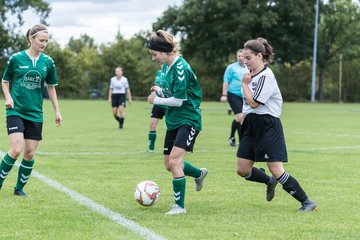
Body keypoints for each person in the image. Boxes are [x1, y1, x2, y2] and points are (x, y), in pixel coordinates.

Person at [236, 37, 317, 212]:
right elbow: (248, 105)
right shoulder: (251, 76)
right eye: (243, 58)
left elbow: (255, 103)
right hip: (250, 124)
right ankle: (268, 181)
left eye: (248, 58)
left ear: (259, 55)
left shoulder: (267, 76)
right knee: (242, 169)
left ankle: (307, 202)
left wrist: (244, 85)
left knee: (276, 168)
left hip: (267, 124)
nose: (245, 61)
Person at [147, 30, 208, 215]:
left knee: (174, 161)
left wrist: (155, 100)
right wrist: (159, 90)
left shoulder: (181, 68)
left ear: (164, 51)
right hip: (174, 120)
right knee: (169, 165)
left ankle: (179, 207)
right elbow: (170, 93)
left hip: (188, 119)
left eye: (154, 54)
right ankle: (198, 173)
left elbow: (179, 100)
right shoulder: (166, 67)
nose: (153, 58)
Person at [0, 24, 63, 196]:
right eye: (41, 40)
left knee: (29, 153)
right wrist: (9, 97)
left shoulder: (48, 62)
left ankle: (19, 189)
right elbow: (5, 81)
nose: (44, 44)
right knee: (15, 149)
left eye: (46, 41)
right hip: (16, 110)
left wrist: (57, 111)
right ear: (31, 39)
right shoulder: (16, 58)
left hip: (35, 113)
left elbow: (51, 87)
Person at [220, 49, 249, 147]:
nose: (241, 58)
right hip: (233, 94)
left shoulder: (249, 67)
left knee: (243, 119)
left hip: (245, 95)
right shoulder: (231, 67)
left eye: (242, 56)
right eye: (239, 56)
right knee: (240, 116)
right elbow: (226, 81)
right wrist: (224, 95)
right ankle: (232, 136)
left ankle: (240, 141)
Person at [148, 66, 167, 152]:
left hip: (168, 103)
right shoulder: (159, 73)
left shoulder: (172, 72)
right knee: (152, 125)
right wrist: (152, 93)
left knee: (172, 126)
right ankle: (151, 149)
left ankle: (180, 147)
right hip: (158, 103)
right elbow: (156, 86)